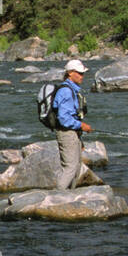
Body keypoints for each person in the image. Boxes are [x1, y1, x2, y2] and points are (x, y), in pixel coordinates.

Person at [52, 59, 92, 190]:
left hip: (73, 133)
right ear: (70, 73)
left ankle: (69, 196)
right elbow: (63, 118)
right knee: (70, 168)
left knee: (76, 167)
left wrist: (80, 138)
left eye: (83, 73)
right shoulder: (66, 91)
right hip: (66, 133)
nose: (82, 76)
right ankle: (57, 198)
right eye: (79, 73)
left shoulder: (72, 90)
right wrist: (82, 126)